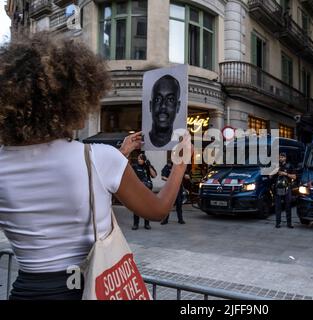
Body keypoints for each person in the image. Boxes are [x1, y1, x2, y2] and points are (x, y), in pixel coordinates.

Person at [0, 32, 192, 300]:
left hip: (25, 291)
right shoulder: (99, 159)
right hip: (82, 289)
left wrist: (121, 154)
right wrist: (180, 164)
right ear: (72, 100)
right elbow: (158, 210)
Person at [149, 75, 181, 148]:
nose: (163, 106)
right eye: (157, 99)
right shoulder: (143, 141)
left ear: (178, 106)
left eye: (170, 100)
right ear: (151, 105)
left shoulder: (179, 143)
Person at [131, 154, 157, 230]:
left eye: (141, 159)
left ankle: (147, 224)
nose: (139, 160)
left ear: (144, 160)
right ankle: (135, 224)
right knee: (136, 207)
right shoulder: (135, 166)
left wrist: (149, 166)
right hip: (138, 190)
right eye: (138, 159)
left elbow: (154, 175)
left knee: (147, 207)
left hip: (147, 190)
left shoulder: (148, 166)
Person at [271, 153, 297, 229]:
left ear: (285, 158)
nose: (280, 158)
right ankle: (277, 223)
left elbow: (294, 177)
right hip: (277, 188)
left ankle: (289, 223)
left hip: (287, 188)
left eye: (282, 157)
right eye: (279, 157)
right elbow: (270, 176)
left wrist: (285, 174)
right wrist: (275, 171)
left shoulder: (290, 166)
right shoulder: (276, 166)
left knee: (288, 206)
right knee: (278, 207)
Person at [160, 160, 190, 225]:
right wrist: (171, 180)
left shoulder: (181, 166)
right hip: (170, 188)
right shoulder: (168, 166)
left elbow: (187, 176)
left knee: (179, 204)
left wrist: (186, 176)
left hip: (178, 188)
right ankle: (165, 220)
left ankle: (180, 219)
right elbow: (163, 177)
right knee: (168, 205)